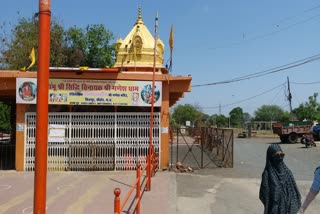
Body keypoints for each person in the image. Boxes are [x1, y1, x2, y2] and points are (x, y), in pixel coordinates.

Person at [259, 144, 301, 214]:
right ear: (271, 157)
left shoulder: (287, 171)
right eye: (277, 156)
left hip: (290, 209)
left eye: (282, 155)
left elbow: (295, 192)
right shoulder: (267, 174)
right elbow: (263, 195)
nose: (280, 158)